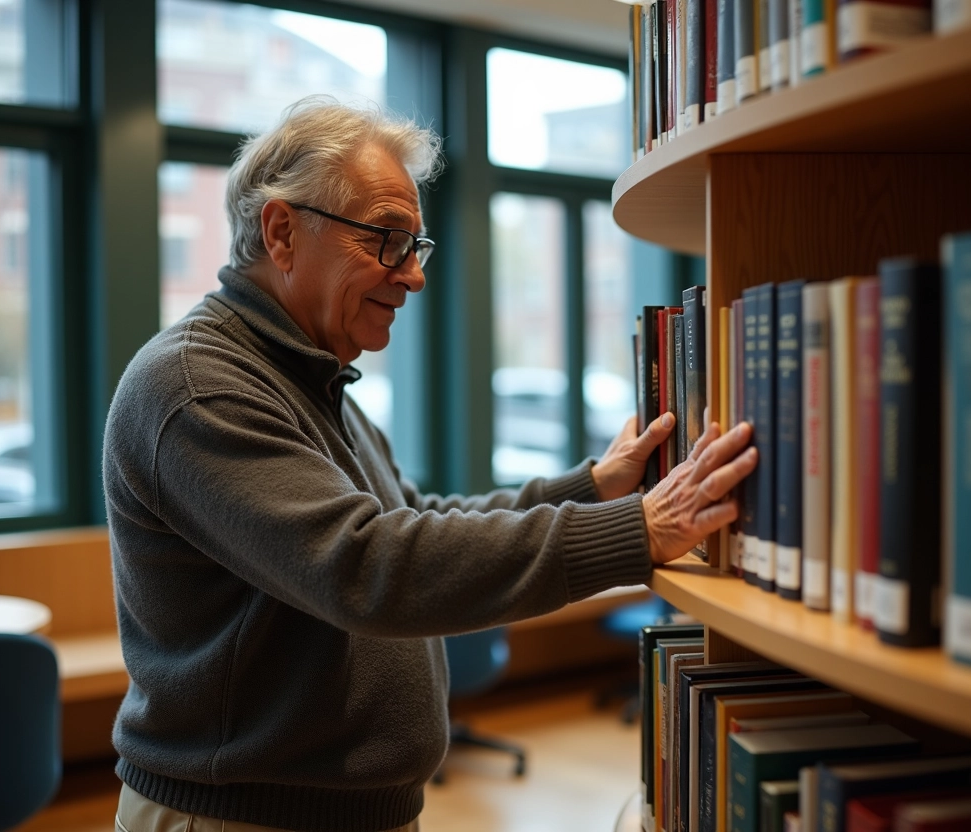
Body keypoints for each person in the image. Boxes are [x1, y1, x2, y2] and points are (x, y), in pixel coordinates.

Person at [103, 97, 757, 832]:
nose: (412, 277)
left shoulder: (309, 377)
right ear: (282, 231)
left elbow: (411, 521)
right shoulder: (199, 386)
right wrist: (631, 533)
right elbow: (370, 566)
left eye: (416, 246)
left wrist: (592, 489)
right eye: (387, 240)